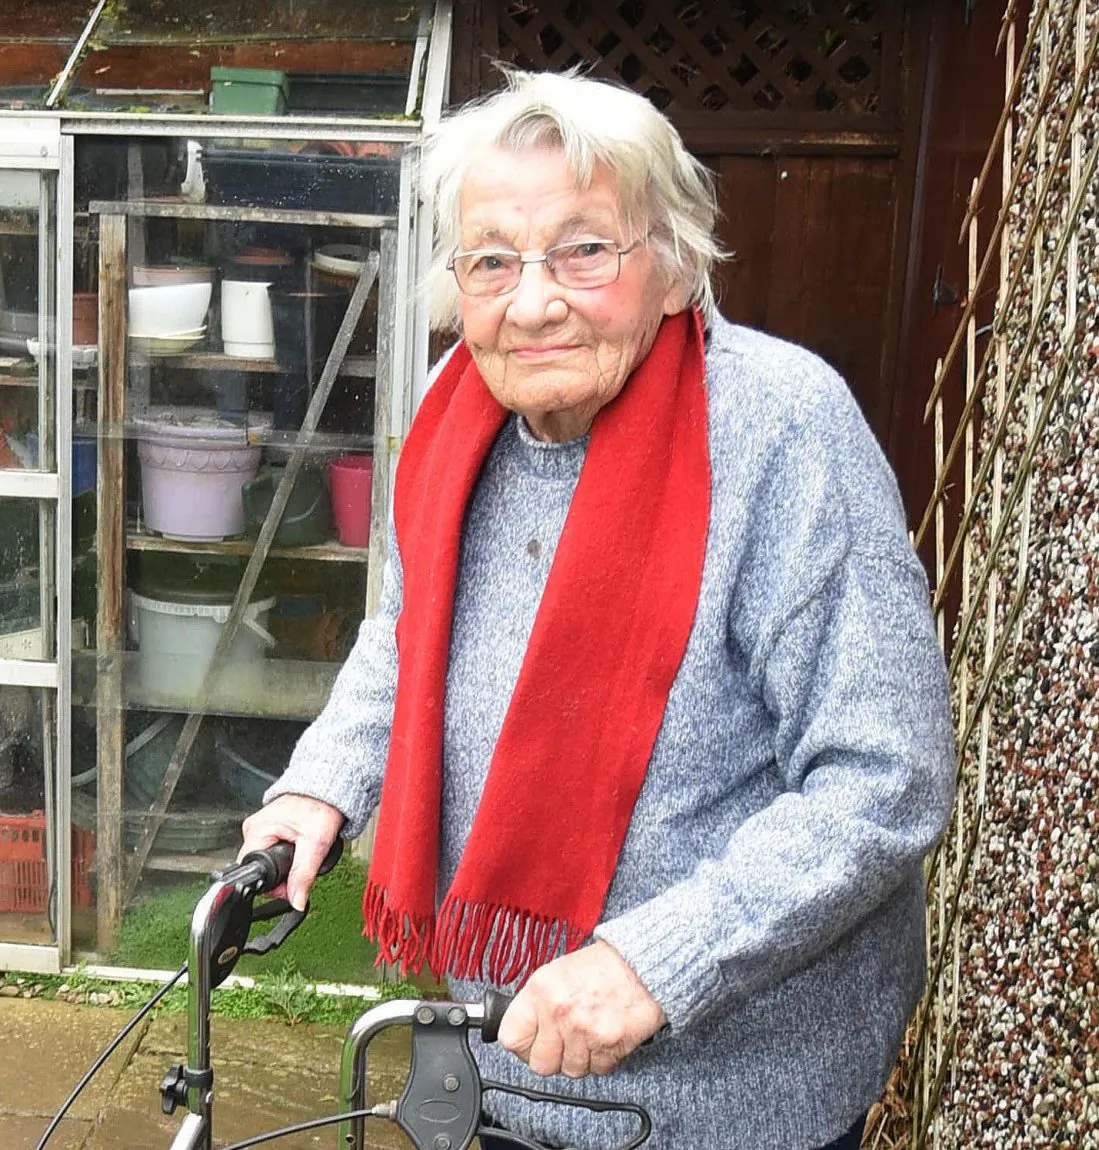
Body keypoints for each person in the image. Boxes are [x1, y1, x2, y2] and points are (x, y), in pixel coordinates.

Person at [239, 69, 955, 1150]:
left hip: (731, 1093)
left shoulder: (779, 430)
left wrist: (651, 960)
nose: (531, 301)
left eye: (583, 250)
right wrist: (321, 784)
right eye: (491, 259)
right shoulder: (453, 409)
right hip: (502, 1052)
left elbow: (883, 775)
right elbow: (407, 633)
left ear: (671, 265)